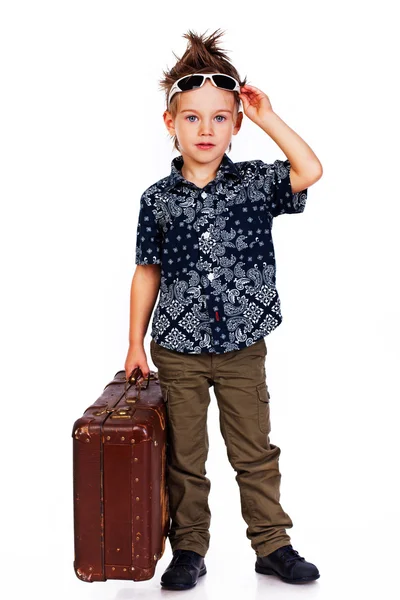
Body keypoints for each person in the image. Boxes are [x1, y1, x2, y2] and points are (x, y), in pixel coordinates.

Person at [125, 28, 323, 590]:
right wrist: (136, 343)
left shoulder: (257, 183)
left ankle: (272, 544)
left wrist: (268, 117)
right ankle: (189, 549)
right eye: (192, 118)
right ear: (171, 124)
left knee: (254, 450)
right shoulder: (157, 200)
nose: (206, 129)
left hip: (241, 347)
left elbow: (309, 171)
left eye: (220, 117)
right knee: (186, 457)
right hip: (178, 348)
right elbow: (147, 272)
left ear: (235, 123)